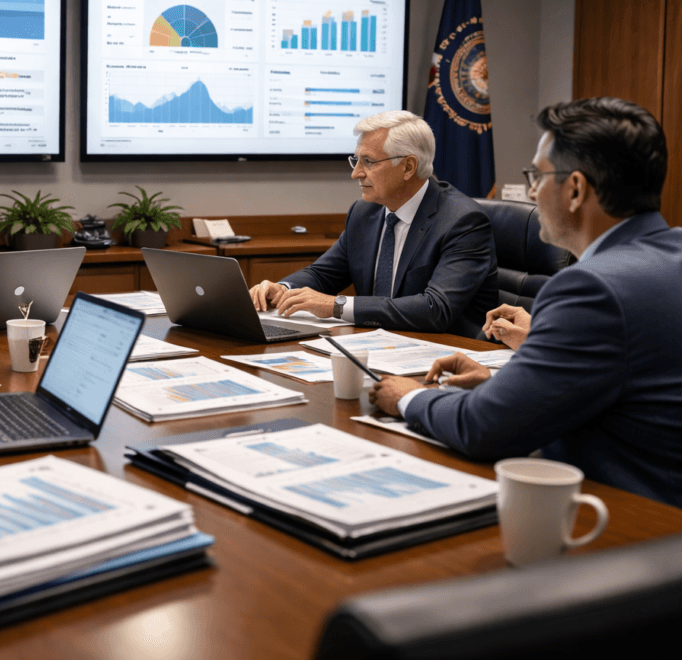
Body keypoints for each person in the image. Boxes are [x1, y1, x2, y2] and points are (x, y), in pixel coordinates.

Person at [369, 97, 682, 507]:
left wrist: (409, 396)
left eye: (538, 175)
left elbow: (483, 429)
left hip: (626, 525)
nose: (532, 190)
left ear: (575, 190)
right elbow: (629, 389)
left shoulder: (591, 288)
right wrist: (506, 384)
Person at [249, 111, 498, 338]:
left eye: (368, 162)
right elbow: (323, 274)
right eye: (356, 160)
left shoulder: (463, 222)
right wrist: (283, 288)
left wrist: (336, 306)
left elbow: (436, 309)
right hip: (378, 345)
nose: (355, 173)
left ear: (408, 167)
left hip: (450, 356)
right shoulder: (364, 212)